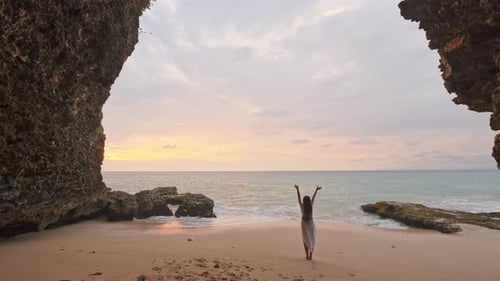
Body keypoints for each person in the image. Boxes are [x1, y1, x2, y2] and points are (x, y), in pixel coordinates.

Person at [294, 184, 321, 260]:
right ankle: (311, 256)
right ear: (309, 201)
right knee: (312, 238)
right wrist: (316, 190)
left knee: (305, 239)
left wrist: (297, 189)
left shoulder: (302, 206)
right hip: (311, 223)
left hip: (304, 224)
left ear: (303, 201)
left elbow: (299, 199)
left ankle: (307, 256)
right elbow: (313, 198)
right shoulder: (311, 206)